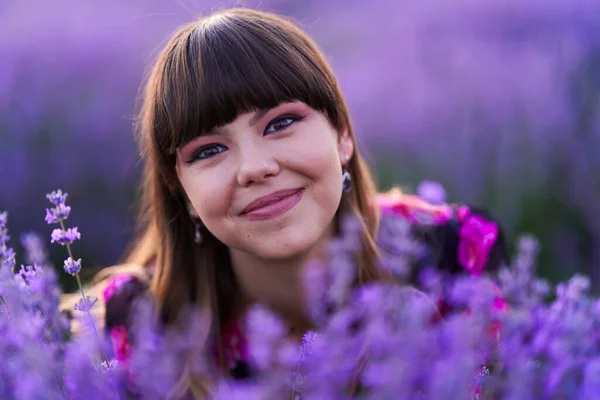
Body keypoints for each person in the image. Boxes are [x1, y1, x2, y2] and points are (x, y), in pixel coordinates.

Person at [73, 7, 508, 398]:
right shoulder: (138, 327)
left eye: (280, 123)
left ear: (343, 136)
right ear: (180, 190)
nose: (254, 167)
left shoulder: (456, 256)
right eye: (208, 150)